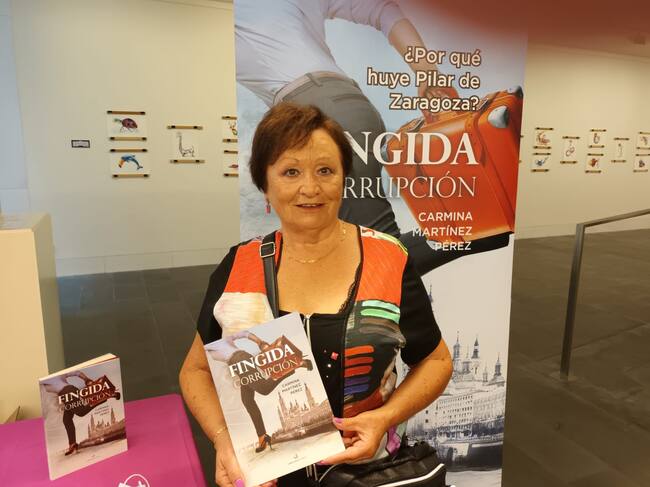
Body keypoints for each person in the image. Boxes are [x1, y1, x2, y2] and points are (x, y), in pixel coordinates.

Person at [179, 103, 453, 487]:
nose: (310, 188)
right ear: (264, 184)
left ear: (344, 178)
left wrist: (383, 417)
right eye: (291, 172)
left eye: (325, 170)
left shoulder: (388, 258)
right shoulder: (238, 266)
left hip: (367, 472)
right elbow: (194, 371)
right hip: (267, 476)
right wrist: (224, 440)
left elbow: (436, 360)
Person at [235, 0, 509, 276]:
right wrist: (426, 71)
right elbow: (382, 10)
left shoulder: (235, 15)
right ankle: (477, 229)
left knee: (377, 256)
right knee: (353, 252)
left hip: (316, 117)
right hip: (351, 105)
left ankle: (480, 229)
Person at [205, 330, 313, 453]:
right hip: (239, 362)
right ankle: (262, 436)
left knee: (264, 389)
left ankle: (295, 364)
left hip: (239, 360)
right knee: (247, 400)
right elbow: (244, 334)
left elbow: (243, 333)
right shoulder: (222, 340)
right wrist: (259, 341)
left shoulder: (209, 343)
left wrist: (260, 342)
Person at [41, 371, 121, 455]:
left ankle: (106, 395)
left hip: (67, 393)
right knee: (67, 419)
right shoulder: (59, 374)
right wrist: (86, 379)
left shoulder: (46, 380)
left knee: (81, 412)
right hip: (69, 391)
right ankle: (72, 445)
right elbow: (77, 372)